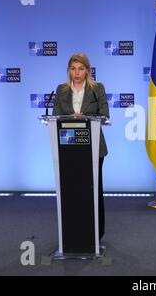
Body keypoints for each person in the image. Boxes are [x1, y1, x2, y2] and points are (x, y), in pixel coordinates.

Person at [53, 52, 109, 241]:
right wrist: (71, 118)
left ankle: (96, 233)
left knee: (93, 190)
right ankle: (73, 232)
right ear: (69, 70)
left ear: (88, 70)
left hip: (93, 149)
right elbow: (55, 117)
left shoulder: (97, 89)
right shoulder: (61, 90)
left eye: (81, 69)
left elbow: (105, 115)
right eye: (73, 68)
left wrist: (84, 117)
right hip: (68, 150)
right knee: (72, 191)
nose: (76, 73)